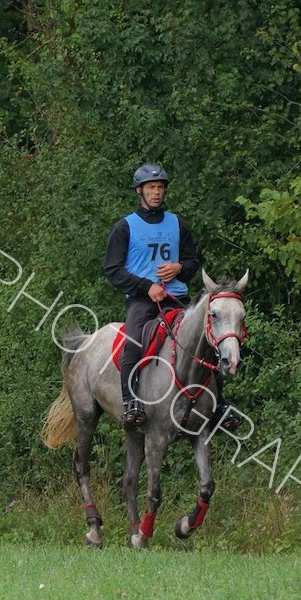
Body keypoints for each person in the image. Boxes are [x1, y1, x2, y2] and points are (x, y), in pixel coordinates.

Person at [103, 164, 201, 428]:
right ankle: (130, 401)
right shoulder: (125, 227)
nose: (156, 192)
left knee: (208, 336)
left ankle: (220, 403)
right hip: (143, 299)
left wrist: (180, 268)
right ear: (139, 191)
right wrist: (146, 286)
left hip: (177, 297)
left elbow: (193, 262)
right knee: (133, 341)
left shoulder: (177, 223)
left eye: (160, 187)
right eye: (151, 188)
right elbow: (112, 269)